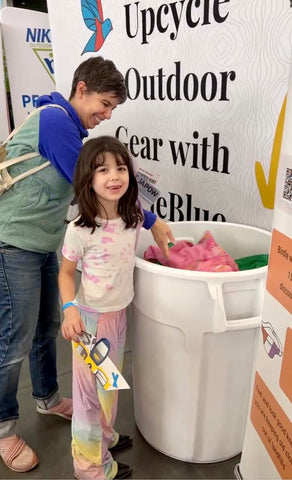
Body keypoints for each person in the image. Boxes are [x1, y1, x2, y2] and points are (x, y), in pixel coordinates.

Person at [0, 56, 175, 473]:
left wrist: (146, 222)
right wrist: (151, 218)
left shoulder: (75, 133)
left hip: (48, 247)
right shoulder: (58, 122)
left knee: (48, 333)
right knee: (16, 338)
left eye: (113, 108)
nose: (107, 114)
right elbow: (88, 179)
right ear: (81, 88)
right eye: (104, 103)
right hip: (14, 243)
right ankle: (6, 429)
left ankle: (48, 401)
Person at [59, 135, 143, 480]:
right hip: (89, 324)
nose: (114, 176)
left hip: (118, 316)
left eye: (120, 168)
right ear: (88, 180)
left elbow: (145, 218)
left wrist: (159, 224)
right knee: (88, 400)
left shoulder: (133, 217)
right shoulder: (80, 230)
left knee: (108, 389)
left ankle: (104, 441)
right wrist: (69, 309)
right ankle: (90, 467)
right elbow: (65, 273)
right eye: (103, 169)